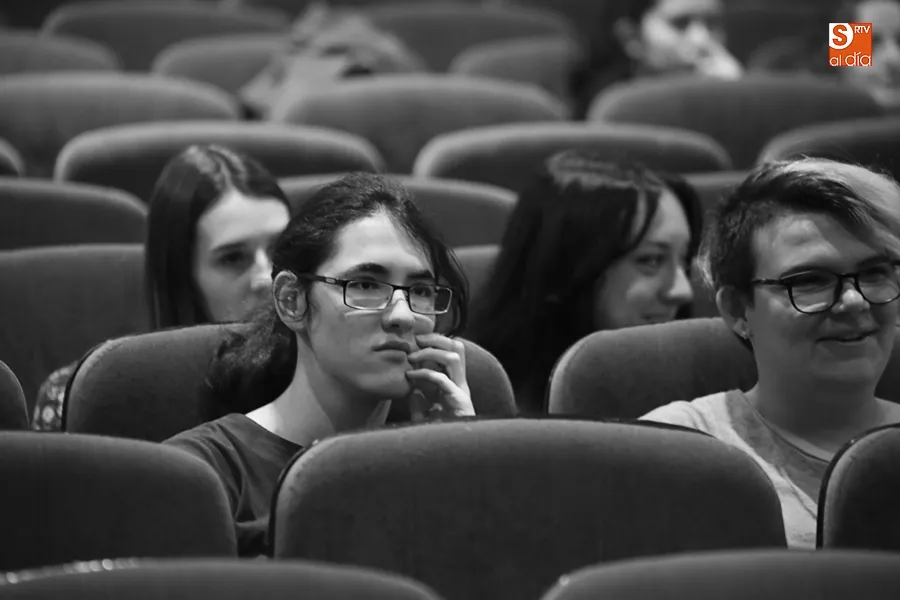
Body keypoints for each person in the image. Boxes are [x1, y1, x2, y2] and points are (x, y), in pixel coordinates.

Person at [165, 173, 514, 557]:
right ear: (291, 301)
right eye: (365, 285)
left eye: (420, 291)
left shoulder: (444, 458)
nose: (403, 315)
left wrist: (461, 461)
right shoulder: (200, 474)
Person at [642, 158, 900, 548]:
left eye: (875, 273)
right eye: (810, 280)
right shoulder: (674, 450)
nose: (853, 300)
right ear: (736, 310)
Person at [31, 145, 291, 431]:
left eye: (281, 249)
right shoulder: (93, 396)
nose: (266, 278)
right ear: (180, 274)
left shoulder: (327, 376)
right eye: (233, 258)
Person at [468, 152, 702, 414]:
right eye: (651, 260)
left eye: (684, 259)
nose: (683, 291)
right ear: (564, 270)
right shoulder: (478, 406)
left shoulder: (705, 395)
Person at [570, 0, 742, 119]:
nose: (703, 39)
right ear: (631, 38)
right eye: (680, 23)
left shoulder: (732, 81)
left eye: (713, 23)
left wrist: (735, 93)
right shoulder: (609, 110)